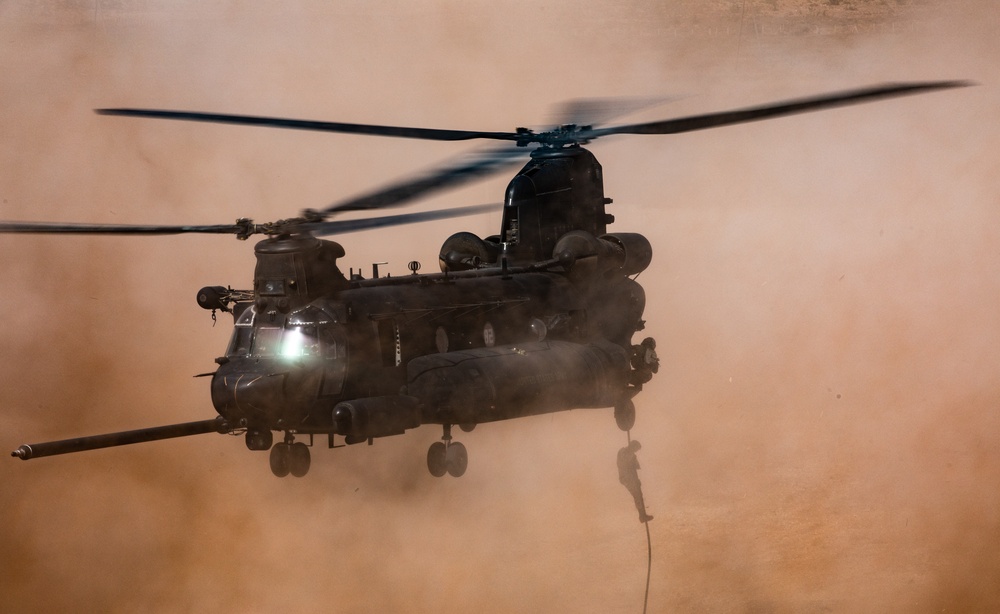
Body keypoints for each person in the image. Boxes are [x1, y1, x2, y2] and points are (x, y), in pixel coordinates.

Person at [617, 440, 653, 523]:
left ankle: (643, 515)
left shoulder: (631, 455)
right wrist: (632, 457)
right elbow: (624, 463)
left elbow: (636, 467)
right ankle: (642, 516)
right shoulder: (622, 452)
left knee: (639, 495)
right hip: (626, 478)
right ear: (632, 446)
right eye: (635, 449)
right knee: (637, 495)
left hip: (631, 477)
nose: (635, 451)